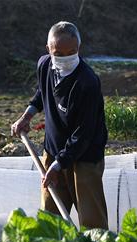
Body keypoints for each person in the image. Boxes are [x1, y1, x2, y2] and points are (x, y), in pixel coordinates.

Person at [10, 21, 109, 230]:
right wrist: (27, 116)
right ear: (49, 49)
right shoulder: (45, 65)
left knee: (92, 221)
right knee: (50, 217)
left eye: (71, 52)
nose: (65, 58)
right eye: (59, 53)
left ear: (78, 49)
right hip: (53, 151)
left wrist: (59, 164)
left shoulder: (87, 82)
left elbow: (83, 133)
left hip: (84, 158)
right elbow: (41, 93)